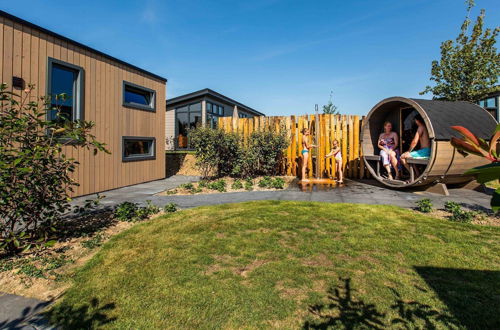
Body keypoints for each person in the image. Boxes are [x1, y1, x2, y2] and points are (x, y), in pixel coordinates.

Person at [400, 114, 431, 180]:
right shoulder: (427, 127)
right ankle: (417, 174)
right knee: (411, 157)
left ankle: (413, 175)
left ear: (417, 121)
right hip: (428, 150)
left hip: (425, 151)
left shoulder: (420, 127)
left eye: (415, 120)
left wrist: (409, 151)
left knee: (402, 157)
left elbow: (414, 141)